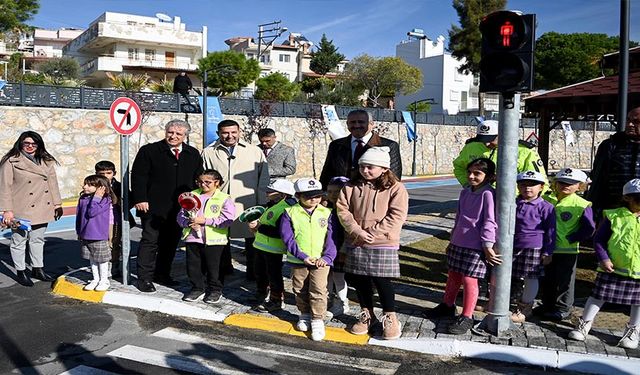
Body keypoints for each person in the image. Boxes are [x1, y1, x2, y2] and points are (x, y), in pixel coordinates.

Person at [336, 147, 409, 340]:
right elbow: (343, 210)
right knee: (360, 280)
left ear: (384, 168)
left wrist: (372, 233)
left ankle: (390, 316)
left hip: (383, 242)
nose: (365, 170)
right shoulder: (350, 186)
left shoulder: (396, 188)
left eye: (370, 167)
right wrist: (357, 231)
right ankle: (367, 314)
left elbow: (397, 215)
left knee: (382, 280)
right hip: (357, 240)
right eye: (362, 166)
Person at [425, 158, 500, 335]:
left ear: (489, 176)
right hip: (459, 241)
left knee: (469, 279)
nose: (472, 176)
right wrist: (452, 239)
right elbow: (459, 216)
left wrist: (488, 245)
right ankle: (447, 306)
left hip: (476, 245)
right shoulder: (465, 191)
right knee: (453, 275)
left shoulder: (488, 194)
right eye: (470, 172)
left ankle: (467, 316)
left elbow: (490, 221)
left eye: (477, 173)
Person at [131, 119, 203, 293]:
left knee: (170, 243)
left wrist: (196, 204)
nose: (173, 136)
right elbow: (139, 177)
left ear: (185, 136)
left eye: (178, 134)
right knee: (150, 242)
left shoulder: (192, 153)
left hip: (180, 209)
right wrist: (140, 199)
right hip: (153, 207)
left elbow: (198, 180)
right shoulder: (149, 151)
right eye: (170, 132)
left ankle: (162, 274)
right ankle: (145, 279)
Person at [569, 178, 640, 349]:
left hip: (638, 270)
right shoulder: (613, 216)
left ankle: (633, 330)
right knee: (598, 296)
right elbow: (599, 240)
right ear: (627, 198)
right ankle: (584, 323)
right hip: (613, 267)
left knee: (638, 301)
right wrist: (604, 258)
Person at [201, 119, 270, 281]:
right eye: (225, 132)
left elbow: (263, 178)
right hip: (219, 203)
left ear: (239, 132)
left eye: (233, 132)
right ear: (218, 133)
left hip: (248, 202)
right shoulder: (208, 152)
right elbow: (203, 178)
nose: (230, 136)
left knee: (253, 239)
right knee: (219, 237)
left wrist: (262, 202)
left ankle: (254, 272)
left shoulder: (254, 151)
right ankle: (224, 269)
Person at [0, 131, 63, 287]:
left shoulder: (46, 161)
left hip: (42, 206)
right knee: (18, 241)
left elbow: (52, 184)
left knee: (37, 240)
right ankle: (20, 271)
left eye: (33, 144)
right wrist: (7, 209)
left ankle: (37, 268)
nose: (29, 146)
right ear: (20, 144)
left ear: (39, 145)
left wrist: (57, 204)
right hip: (20, 208)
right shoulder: (11, 161)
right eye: (26, 143)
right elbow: (4, 187)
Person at [280, 178, 337, 342]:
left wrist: (327, 257)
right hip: (299, 260)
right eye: (309, 196)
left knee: (318, 290)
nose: (314, 199)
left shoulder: (327, 213)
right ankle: (304, 314)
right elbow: (288, 238)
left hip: (321, 261)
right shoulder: (289, 212)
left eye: (318, 196)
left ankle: (318, 320)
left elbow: (332, 238)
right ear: (298, 195)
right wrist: (302, 257)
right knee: (300, 288)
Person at [538, 168, 595, 321]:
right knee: (547, 278)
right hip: (546, 248)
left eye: (571, 183)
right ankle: (547, 305)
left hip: (567, 250)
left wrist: (573, 238)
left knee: (565, 282)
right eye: (562, 182)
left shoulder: (581, 204)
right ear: (555, 183)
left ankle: (563, 308)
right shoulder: (545, 199)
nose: (566, 186)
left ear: (580, 186)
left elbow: (589, 228)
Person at [177, 169, 235, 304]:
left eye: (208, 182)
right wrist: (188, 222)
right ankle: (197, 288)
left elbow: (227, 219)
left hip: (215, 240)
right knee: (194, 266)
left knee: (214, 267)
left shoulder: (224, 198)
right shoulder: (191, 195)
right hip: (193, 237)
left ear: (217, 183)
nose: (203, 185)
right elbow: (181, 215)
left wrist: (205, 221)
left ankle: (215, 290)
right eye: (200, 182)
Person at [510, 171, 556, 323]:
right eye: (523, 185)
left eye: (532, 185)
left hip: (533, 247)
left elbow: (551, 231)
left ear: (541, 187)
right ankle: (503, 302)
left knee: (531, 277)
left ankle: (525, 307)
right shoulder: (512, 203)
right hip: (511, 245)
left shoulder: (546, 207)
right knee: (508, 275)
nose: (527, 188)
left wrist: (548, 252)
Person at [452, 118, 548, 188]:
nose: (487, 143)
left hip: (514, 201)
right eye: (482, 139)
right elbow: (459, 167)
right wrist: (467, 184)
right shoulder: (471, 146)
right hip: (479, 197)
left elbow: (539, 178)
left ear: (502, 135)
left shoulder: (524, 151)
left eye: (491, 139)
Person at [320, 109, 402, 187]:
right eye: (352, 122)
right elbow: (327, 174)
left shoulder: (388, 145)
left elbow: (393, 176)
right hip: (340, 196)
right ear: (347, 124)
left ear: (371, 124)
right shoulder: (336, 145)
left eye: (361, 122)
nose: (356, 125)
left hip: (372, 196)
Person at [250, 179, 296, 312]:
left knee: (273, 275)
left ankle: (276, 300)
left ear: (283, 194)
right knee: (260, 272)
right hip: (261, 246)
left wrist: (259, 227)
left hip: (273, 249)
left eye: (271, 191)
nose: (267, 193)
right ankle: (261, 294)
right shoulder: (271, 205)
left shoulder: (286, 209)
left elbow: (280, 231)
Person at [588, 106, 640, 222]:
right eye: (628, 120)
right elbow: (598, 181)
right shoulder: (610, 146)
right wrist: (594, 214)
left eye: (636, 121)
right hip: (614, 213)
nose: (630, 124)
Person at [95, 160, 135, 279]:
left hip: (116, 220)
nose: (106, 176)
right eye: (102, 174)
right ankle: (102, 267)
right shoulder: (93, 186)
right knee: (102, 245)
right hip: (100, 220)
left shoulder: (120, 186)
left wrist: (118, 200)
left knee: (114, 244)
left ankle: (114, 267)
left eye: (108, 173)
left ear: (114, 173)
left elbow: (129, 201)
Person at [76, 175, 115, 291]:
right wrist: (79, 231)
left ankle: (104, 280)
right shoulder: (83, 198)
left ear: (101, 188)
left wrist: (97, 197)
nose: (85, 186)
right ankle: (96, 279)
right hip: (85, 234)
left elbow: (92, 212)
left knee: (102, 259)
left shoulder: (104, 200)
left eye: (90, 185)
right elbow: (79, 216)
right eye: (85, 184)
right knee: (92, 258)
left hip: (98, 235)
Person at [325, 176, 350, 318]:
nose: (333, 195)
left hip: (341, 249)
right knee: (327, 276)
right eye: (330, 191)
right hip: (327, 249)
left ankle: (342, 303)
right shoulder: (326, 209)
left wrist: (344, 249)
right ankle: (327, 300)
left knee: (338, 276)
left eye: (337, 191)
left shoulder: (347, 210)